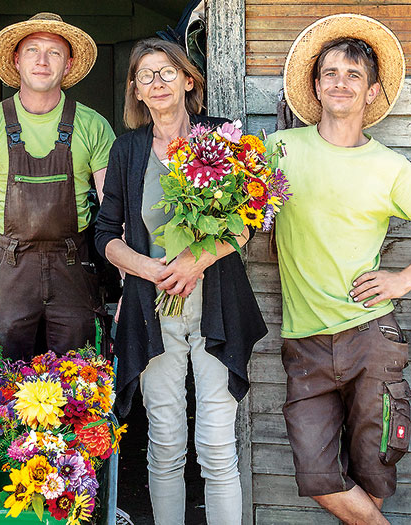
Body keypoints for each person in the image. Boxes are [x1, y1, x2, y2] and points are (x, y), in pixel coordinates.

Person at [265, 14, 411, 524]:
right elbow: (237, 216)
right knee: (316, 475)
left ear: (373, 92)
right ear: (315, 85)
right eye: (330, 72)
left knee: (374, 472)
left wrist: (402, 280)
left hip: (370, 335)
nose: (340, 82)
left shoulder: (390, 167)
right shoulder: (279, 151)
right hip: (304, 341)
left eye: (353, 75)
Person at [95, 38, 267, 525]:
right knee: (165, 441)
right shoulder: (128, 149)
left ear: (189, 80)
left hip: (216, 308)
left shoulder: (220, 138)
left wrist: (196, 260)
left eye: (167, 72)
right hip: (154, 313)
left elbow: (249, 218)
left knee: (216, 446)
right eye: (146, 75)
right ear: (137, 91)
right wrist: (149, 271)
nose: (157, 82)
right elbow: (105, 233)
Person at [0, 12, 115, 359]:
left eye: (54, 52)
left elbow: (112, 210)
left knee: (82, 381)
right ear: (17, 61)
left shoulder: (93, 125)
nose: (42, 61)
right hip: (9, 267)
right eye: (32, 50)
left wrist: (130, 287)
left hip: (73, 267)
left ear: (69, 64)